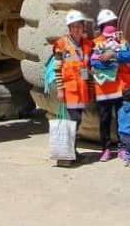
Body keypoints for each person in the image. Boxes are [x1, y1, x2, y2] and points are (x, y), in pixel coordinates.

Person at [90, 9, 130, 162]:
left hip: (120, 87)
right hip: (103, 89)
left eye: (112, 23)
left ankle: (123, 148)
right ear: (101, 25)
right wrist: (106, 60)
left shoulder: (121, 40)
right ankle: (106, 149)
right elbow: (93, 61)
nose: (111, 25)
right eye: (107, 23)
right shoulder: (95, 42)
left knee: (123, 119)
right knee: (104, 120)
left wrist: (113, 55)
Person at [53, 9, 93, 163]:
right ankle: (67, 153)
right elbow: (57, 68)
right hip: (69, 91)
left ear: (83, 27)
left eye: (79, 26)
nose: (76, 29)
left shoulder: (87, 45)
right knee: (73, 120)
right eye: (73, 26)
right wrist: (60, 89)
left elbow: (88, 69)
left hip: (81, 91)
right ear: (69, 28)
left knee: (78, 121)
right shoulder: (62, 44)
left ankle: (72, 151)